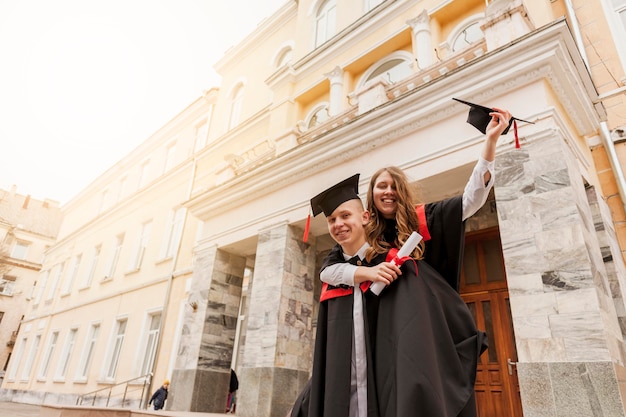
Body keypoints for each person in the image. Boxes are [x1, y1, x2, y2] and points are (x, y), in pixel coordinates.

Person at [292, 104, 512, 417]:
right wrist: (367, 271)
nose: (389, 191)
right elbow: (330, 270)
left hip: (415, 318)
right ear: (371, 197)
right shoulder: (363, 234)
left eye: (394, 185)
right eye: (381, 185)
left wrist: (490, 143)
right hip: (372, 324)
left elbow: (469, 202)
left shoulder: (422, 219)